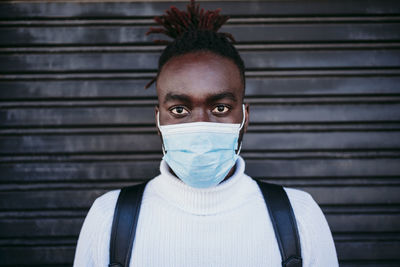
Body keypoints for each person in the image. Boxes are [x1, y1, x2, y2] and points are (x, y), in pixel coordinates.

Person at [73, 1, 338, 266]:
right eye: (179, 109)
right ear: (158, 120)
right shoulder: (109, 218)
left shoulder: (299, 216)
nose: (200, 124)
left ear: (245, 118)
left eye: (220, 107)